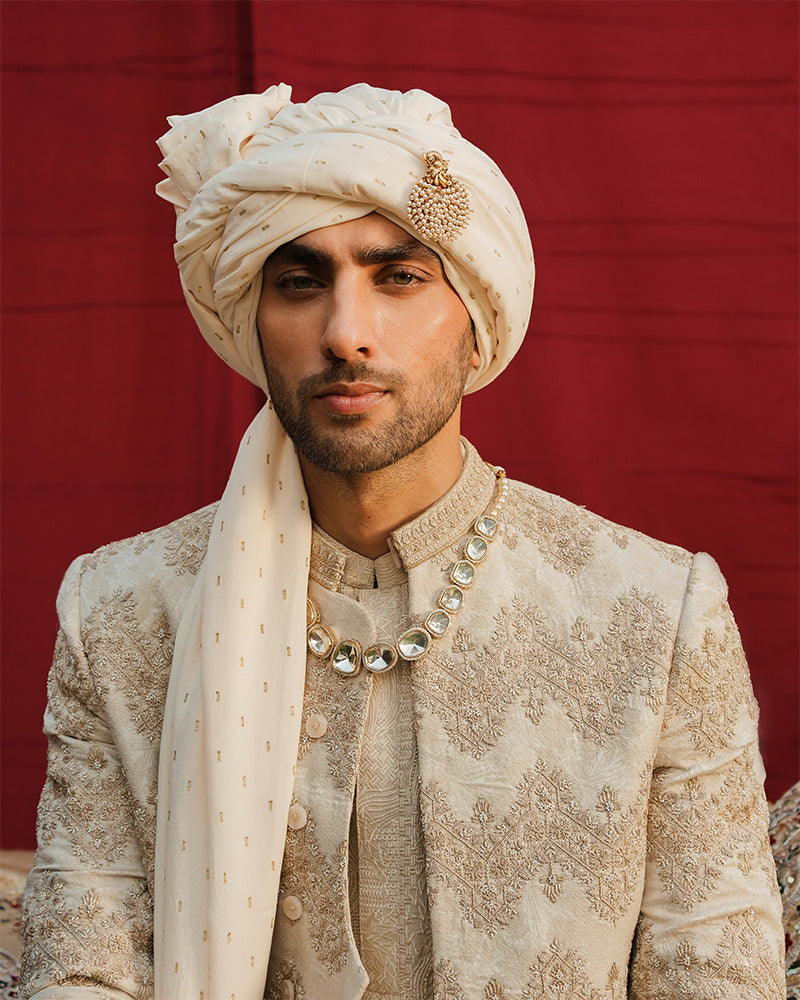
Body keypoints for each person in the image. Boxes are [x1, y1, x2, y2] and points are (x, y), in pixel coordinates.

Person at [21, 84, 784, 1000]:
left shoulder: (654, 612)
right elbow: (84, 969)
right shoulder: (120, 613)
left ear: (478, 325)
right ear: (252, 326)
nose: (346, 334)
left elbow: (718, 974)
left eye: (399, 277)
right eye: (300, 282)